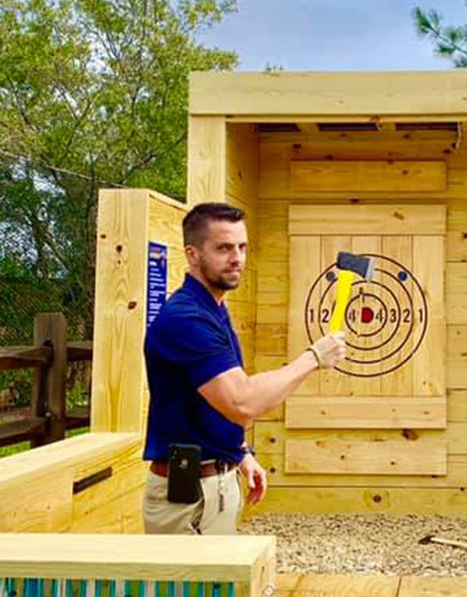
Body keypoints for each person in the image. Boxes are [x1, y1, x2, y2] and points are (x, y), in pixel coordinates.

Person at [142, 202, 345, 535]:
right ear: (192, 254)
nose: (237, 258)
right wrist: (314, 357)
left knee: (220, 588)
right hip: (186, 498)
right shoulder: (185, 319)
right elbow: (242, 403)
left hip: (215, 483)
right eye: (223, 248)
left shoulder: (214, 309)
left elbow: (206, 401)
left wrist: (239, 454)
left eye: (242, 247)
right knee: (189, 590)